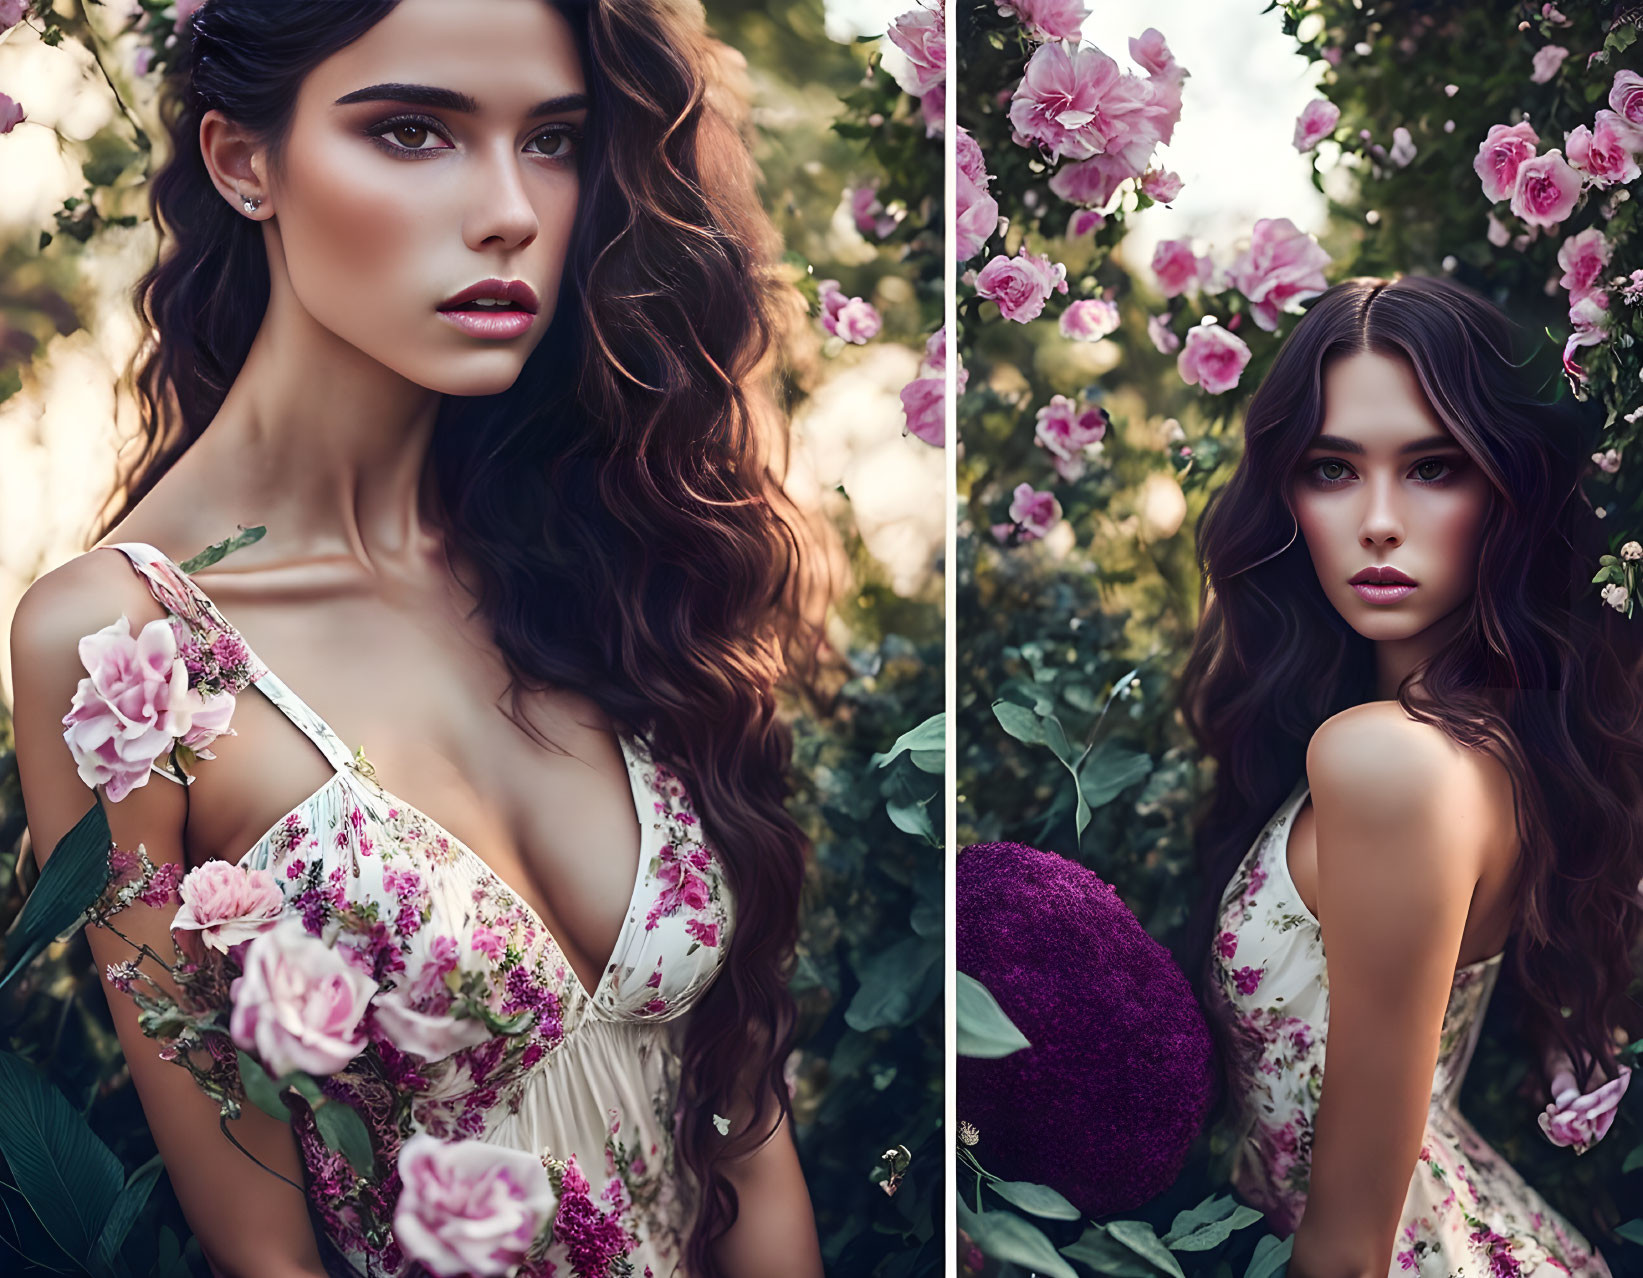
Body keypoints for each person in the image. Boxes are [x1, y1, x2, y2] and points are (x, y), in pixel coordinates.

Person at [7, 2, 834, 1276]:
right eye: (411, 130)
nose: (509, 208)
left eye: (552, 140)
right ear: (245, 163)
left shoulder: (603, 568)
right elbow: (262, 1252)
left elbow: (742, 1142)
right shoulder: (122, 653)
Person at [1176, 275, 1643, 1276]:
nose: (1378, 521)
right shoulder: (1492, 748)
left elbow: (1344, 1251)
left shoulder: (1389, 761)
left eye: (1432, 467)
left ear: (1505, 488)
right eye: (1331, 469)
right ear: (1285, 494)